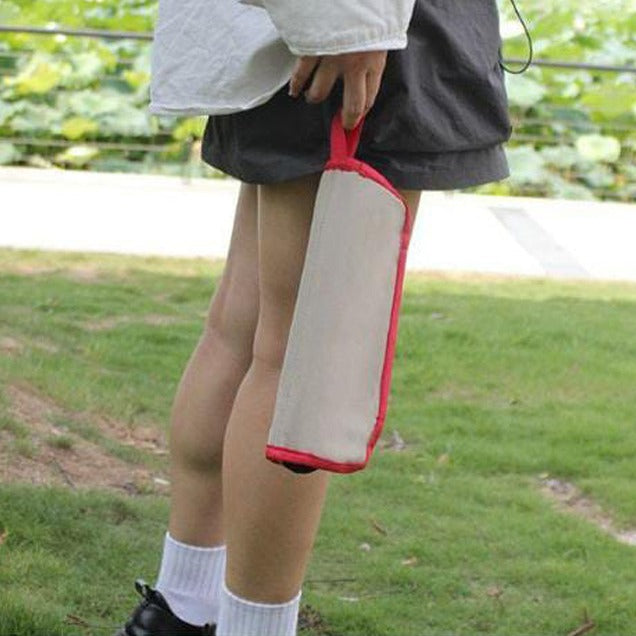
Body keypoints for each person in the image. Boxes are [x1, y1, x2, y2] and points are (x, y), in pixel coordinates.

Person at [115, 0, 514, 634]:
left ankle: (182, 608)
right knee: (305, 362)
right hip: (355, 34)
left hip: (317, 33)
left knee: (242, 333)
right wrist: (350, 23)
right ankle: (252, 626)